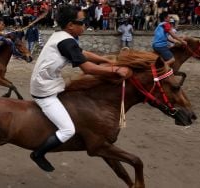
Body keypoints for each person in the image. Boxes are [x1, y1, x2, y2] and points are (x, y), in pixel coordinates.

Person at [29, 5, 130, 172]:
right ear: (70, 25)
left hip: (51, 83)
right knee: (68, 130)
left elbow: (84, 54)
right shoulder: (66, 41)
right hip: (44, 91)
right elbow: (88, 69)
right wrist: (116, 70)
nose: (85, 25)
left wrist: (109, 61)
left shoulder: (64, 36)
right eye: (82, 22)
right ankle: (38, 154)